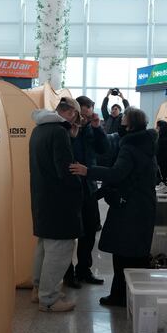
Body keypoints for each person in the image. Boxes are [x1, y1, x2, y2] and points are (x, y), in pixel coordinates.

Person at [70, 107, 157, 306]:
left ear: (130, 124)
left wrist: (87, 171)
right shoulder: (148, 143)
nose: (120, 121)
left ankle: (119, 296)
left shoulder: (129, 147)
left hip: (129, 208)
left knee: (122, 253)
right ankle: (135, 296)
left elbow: (117, 173)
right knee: (137, 254)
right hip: (143, 205)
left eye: (124, 118)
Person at [30, 97, 83, 312]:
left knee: (43, 247)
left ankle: (38, 290)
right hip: (59, 201)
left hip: (42, 197)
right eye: (77, 117)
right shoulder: (59, 132)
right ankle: (49, 299)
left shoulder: (38, 130)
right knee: (60, 249)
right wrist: (78, 185)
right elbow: (65, 170)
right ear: (70, 113)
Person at [63, 96, 110, 288]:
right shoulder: (64, 129)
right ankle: (67, 274)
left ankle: (84, 269)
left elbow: (104, 149)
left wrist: (98, 128)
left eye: (88, 114)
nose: (84, 118)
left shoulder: (92, 128)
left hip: (89, 186)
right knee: (68, 233)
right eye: (81, 114)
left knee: (90, 230)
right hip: (69, 187)